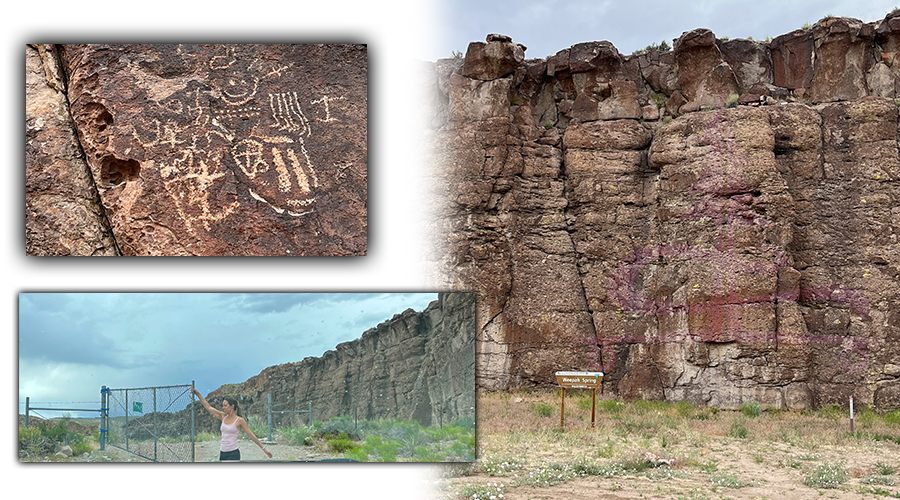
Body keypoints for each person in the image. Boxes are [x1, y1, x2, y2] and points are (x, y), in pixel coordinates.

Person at [191, 388, 273, 461]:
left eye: (225, 406)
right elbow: (208, 407)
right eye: (223, 405)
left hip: (233, 454)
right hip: (222, 453)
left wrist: (264, 449)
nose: (223, 408)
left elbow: (251, 435)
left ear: (232, 406)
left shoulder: (240, 421)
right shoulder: (223, 416)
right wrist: (198, 394)